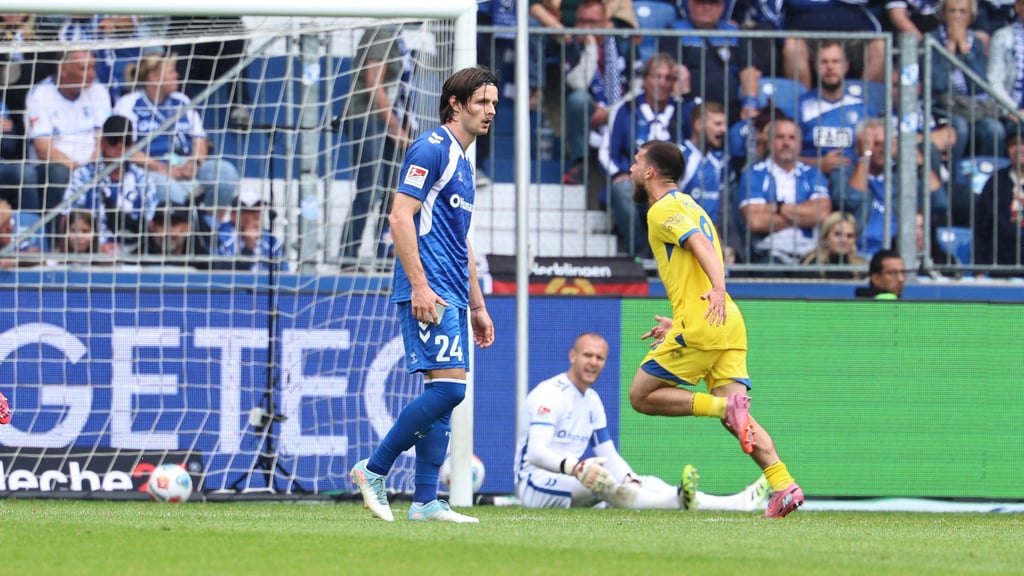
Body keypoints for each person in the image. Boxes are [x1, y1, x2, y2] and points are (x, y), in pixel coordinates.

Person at [349, 66, 499, 524]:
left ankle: (426, 500)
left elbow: (461, 240)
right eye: (481, 102)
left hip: (453, 290)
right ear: (455, 104)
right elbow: (399, 216)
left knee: (443, 393)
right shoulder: (431, 148)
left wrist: (478, 305)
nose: (490, 111)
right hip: (428, 288)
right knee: (451, 389)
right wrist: (419, 284)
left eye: (494, 103)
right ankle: (373, 469)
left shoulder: (465, 162)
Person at [625, 139, 804, 518]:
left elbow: (701, 245)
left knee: (641, 395)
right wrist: (684, 316)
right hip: (726, 325)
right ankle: (784, 485)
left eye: (637, 162)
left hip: (707, 318)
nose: (631, 169)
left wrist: (718, 290)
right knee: (737, 421)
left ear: (651, 172)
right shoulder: (691, 204)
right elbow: (697, 255)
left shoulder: (663, 210)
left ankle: (725, 405)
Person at [515, 332, 772, 511]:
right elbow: (536, 454)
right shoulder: (549, 393)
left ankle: (736, 503)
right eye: (587, 355)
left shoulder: (592, 400)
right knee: (601, 483)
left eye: (600, 358)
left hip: (573, 477)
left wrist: (629, 477)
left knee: (642, 482)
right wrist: (577, 468)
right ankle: (678, 500)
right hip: (534, 483)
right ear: (572, 356)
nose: (593, 362)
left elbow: (608, 454)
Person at [114, 53, 240, 208]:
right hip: (150, 167)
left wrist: (194, 163)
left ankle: (210, 222)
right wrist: (164, 168)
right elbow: (127, 148)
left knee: (225, 173)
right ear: (153, 77)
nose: (177, 75)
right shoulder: (128, 104)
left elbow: (200, 139)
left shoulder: (182, 101)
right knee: (167, 187)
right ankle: (185, 224)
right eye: (171, 72)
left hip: (185, 163)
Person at [598, 53, 693, 257]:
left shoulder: (682, 111)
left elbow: (693, 147)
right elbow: (607, 152)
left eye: (668, 78)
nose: (662, 83)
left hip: (673, 184)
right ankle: (643, 252)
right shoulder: (626, 109)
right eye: (656, 76)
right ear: (645, 80)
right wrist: (619, 174)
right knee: (622, 190)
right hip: (635, 182)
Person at [340, 25, 416, 272]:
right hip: (367, 119)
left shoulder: (395, 36)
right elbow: (374, 83)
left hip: (383, 121)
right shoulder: (381, 34)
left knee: (392, 192)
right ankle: (348, 257)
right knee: (370, 190)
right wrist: (395, 128)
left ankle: (385, 256)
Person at [25, 49, 112, 217]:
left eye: (93, 68)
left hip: (93, 165)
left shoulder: (98, 91)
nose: (91, 74)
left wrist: (92, 167)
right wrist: (79, 171)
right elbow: (43, 149)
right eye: (83, 69)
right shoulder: (40, 95)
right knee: (58, 173)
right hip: (56, 167)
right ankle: (56, 235)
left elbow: (102, 138)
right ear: (63, 69)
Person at [737, 116, 832, 266]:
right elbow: (755, 222)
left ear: (800, 144)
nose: (786, 143)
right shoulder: (754, 174)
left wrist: (778, 208)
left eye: (792, 138)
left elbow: (821, 214)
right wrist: (803, 215)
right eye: (780, 137)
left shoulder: (813, 174)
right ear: (769, 142)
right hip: (768, 255)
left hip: (810, 255)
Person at [561, 0, 635, 185]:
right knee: (578, 99)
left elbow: (638, 86)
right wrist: (591, 48)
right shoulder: (572, 46)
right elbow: (578, 83)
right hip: (590, 113)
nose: (585, 27)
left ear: (605, 23)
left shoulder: (623, 42)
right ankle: (580, 163)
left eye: (592, 22)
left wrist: (611, 111)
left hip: (622, 108)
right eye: (581, 21)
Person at [657, 0, 765, 124]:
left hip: (731, 110)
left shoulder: (734, 32)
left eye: (713, 3)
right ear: (690, 4)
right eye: (701, 2)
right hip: (691, 110)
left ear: (722, 7)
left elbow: (748, 71)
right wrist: (687, 104)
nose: (707, 7)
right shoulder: (674, 31)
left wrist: (750, 104)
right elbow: (672, 70)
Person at [62, 114, 157, 256]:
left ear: (132, 145)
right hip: (90, 254)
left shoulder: (143, 179)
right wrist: (95, 248)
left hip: (133, 254)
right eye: (114, 140)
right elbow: (66, 220)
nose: (119, 146)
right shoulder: (83, 175)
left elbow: (152, 224)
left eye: (125, 141)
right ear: (103, 142)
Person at [796, 41, 876, 189]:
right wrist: (818, 164)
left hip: (853, 178)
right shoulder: (800, 106)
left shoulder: (862, 107)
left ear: (845, 66)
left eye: (835, 61)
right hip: (809, 178)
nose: (830, 67)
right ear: (814, 66)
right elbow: (784, 153)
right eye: (824, 62)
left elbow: (874, 151)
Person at [974, 129, 1024, 272]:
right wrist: (979, 270)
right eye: (1014, 144)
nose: (1019, 149)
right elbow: (982, 227)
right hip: (1002, 264)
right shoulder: (996, 182)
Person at [215, 192, 287, 272]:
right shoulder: (221, 239)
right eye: (250, 210)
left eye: (258, 210)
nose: (256, 215)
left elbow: (284, 274)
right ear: (234, 216)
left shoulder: (272, 242)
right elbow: (224, 277)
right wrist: (248, 248)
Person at [141, 200, 212, 269]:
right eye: (161, 224)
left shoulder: (204, 262)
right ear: (152, 227)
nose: (167, 231)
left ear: (187, 228)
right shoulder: (138, 257)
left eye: (173, 224)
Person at [797, 211, 867, 279]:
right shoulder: (810, 264)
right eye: (838, 234)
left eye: (849, 236)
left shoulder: (861, 268)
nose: (844, 240)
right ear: (826, 236)